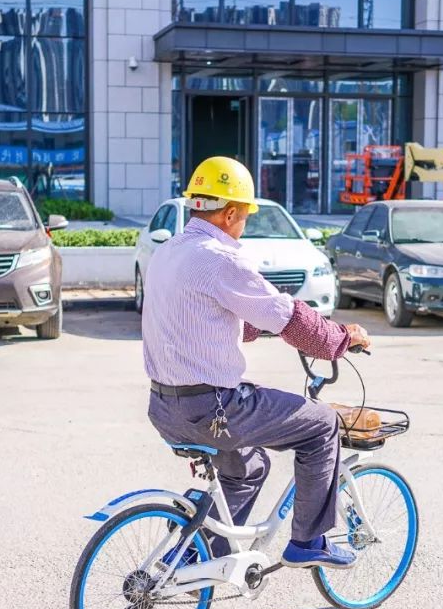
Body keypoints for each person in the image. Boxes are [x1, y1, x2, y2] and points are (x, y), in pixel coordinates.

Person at [143, 156, 370, 569]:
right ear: (230, 213)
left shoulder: (168, 253)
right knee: (322, 424)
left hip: (164, 407)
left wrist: (262, 327)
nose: (244, 223)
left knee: (248, 466)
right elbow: (288, 316)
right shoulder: (221, 258)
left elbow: (219, 317)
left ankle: (198, 550)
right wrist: (339, 339)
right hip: (212, 409)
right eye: (245, 215)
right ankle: (308, 542)